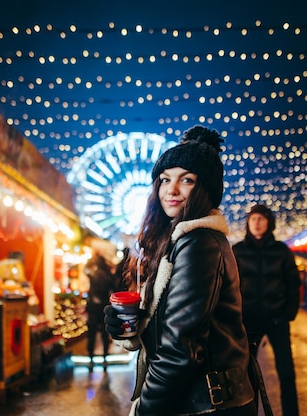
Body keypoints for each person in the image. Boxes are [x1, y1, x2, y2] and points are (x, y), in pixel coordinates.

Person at [104, 126, 256, 415]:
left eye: (186, 179)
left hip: (204, 404)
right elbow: (171, 326)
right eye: (164, 179)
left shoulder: (199, 244)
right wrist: (126, 324)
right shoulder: (178, 242)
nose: (171, 190)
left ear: (205, 189)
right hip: (200, 400)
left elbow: (180, 350)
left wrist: (145, 410)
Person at [233, 204, 302, 416]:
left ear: (268, 223)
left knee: (286, 373)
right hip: (248, 320)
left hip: (276, 319)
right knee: (248, 373)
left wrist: (288, 313)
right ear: (248, 222)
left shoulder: (281, 250)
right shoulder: (238, 250)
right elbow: (230, 285)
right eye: (253, 219)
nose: (257, 223)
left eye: (261, 219)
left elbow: (293, 282)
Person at [84, 252, 115, 369]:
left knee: (91, 335)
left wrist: (89, 261)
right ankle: (105, 358)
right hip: (103, 308)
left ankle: (91, 358)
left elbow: (84, 270)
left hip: (92, 308)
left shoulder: (93, 274)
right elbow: (113, 289)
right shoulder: (108, 275)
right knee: (104, 334)